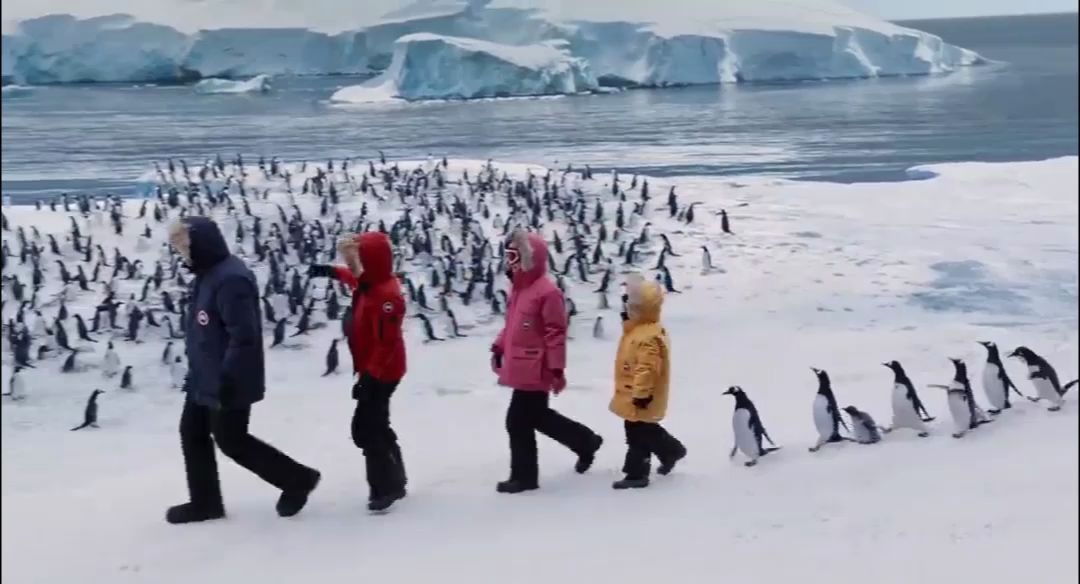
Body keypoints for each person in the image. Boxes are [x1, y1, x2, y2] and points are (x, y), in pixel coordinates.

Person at [166, 217, 321, 524]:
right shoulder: (207, 273)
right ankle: (205, 502)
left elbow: (244, 336)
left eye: (183, 244)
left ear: (200, 243)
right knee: (192, 432)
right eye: (176, 245)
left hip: (227, 377)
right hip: (205, 375)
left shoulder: (230, 279)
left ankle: (297, 479)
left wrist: (228, 378)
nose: (180, 251)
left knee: (232, 440)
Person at [490, 228, 603, 494]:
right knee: (537, 417)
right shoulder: (520, 288)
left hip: (536, 367)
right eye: (508, 256)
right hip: (521, 363)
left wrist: (556, 368)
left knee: (517, 421)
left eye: (514, 256)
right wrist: (498, 346)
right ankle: (586, 441)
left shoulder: (547, 292)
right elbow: (512, 326)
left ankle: (525, 476)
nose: (510, 261)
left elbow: (556, 333)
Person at [308, 232, 407, 512]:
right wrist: (330, 271)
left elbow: (387, 345)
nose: (352, 266)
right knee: (377, 424)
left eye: (356, 260)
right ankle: (396, 479)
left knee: (366, 429)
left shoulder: (387, 296)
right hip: (374, 370)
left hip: (384, 371)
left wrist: (371, 378)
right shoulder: (370, 283)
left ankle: (384, 488)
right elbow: (354, 279)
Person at [608, 274, 687, 489]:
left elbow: (648, 368)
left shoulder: (647, 336)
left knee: (637, 434)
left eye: (631, 305)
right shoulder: (636, 331)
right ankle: (671, 450)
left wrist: (642, 393)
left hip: (641, 394)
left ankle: (637, 473)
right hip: (632, 391)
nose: (626, 308)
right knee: (644, 428)